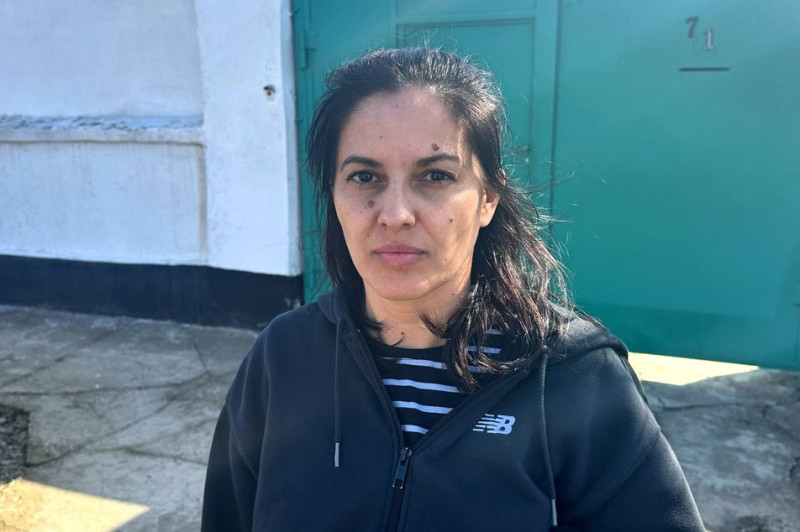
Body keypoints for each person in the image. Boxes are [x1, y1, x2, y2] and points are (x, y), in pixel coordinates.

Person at [202, 47, 705, 531]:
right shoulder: (282, 357)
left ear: (487, 199)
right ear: (333, 194)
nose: (395, 214)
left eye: (436, 175)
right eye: (364, 176)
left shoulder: (573, 376)